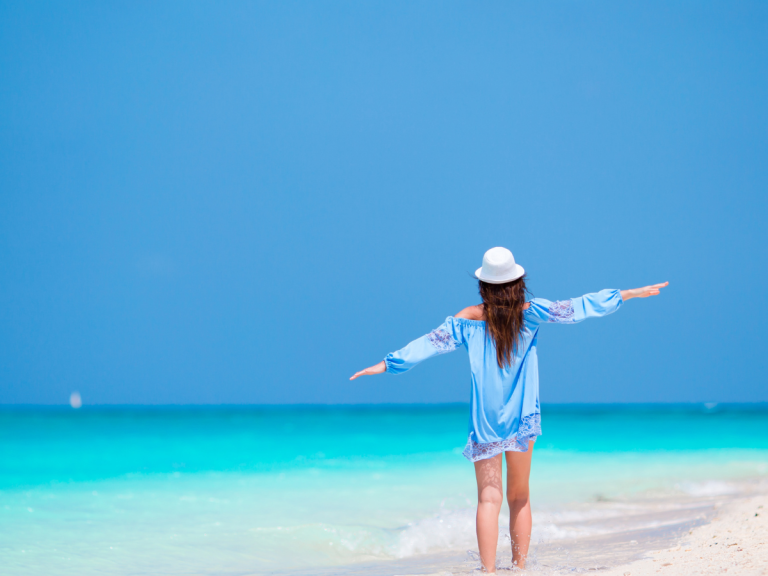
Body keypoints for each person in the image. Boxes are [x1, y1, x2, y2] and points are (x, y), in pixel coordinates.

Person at [350, 247, 668, 573]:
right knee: (520, 496)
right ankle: (519, 568)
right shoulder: (531, 312)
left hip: (486, 419)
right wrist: (627, 294)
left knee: (489, 499)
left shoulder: (468, 319)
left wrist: (387, 364)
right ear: (518, 282)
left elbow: (428, 344)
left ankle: (488, 572)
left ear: (483, 285)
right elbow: (578, 307)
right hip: (522, 415)